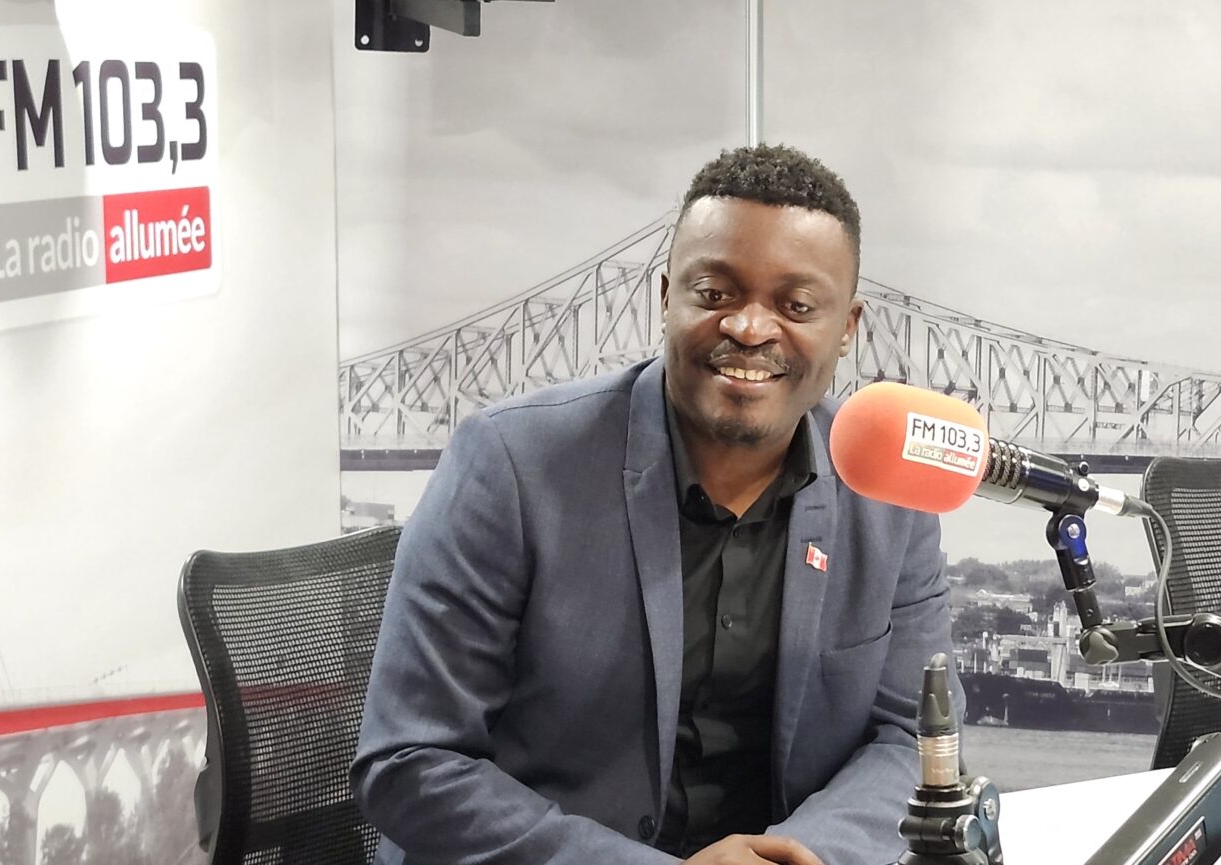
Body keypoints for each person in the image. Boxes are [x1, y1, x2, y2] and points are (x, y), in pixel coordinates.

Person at [351, 143, 962, 865]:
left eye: (796, 306)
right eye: (715, 294)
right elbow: (410, 761)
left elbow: (910, 738)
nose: (750, 328)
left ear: (848, 326)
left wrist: (804, 854)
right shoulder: (511, 464)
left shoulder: (888, 489)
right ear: (666, 297)